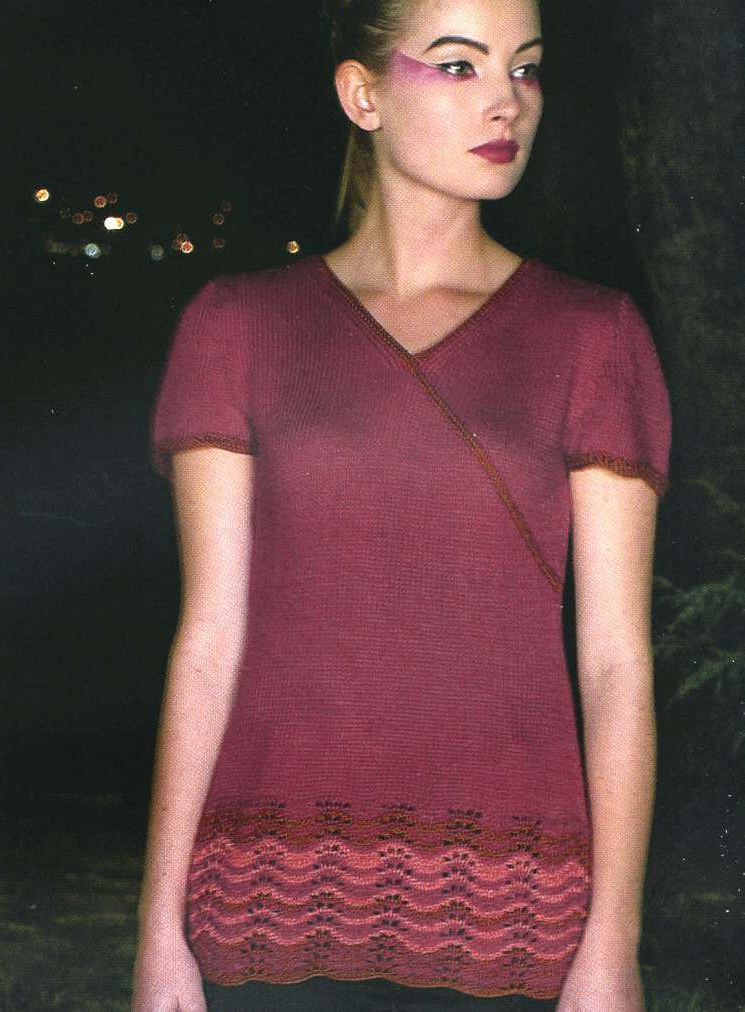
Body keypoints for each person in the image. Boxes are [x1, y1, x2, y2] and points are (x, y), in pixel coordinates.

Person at [131, 0, 672, 1008]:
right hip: (264, 909)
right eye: (459, 66)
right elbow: (208, 643)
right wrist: (159, 933)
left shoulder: (592, 335)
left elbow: (615, 664)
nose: (507, 101)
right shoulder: (236, 325)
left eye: (525, 67)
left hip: (513, 916)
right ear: (362, 94)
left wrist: (614, 943)